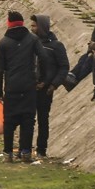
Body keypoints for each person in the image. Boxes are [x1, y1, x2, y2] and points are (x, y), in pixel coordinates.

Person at [0, 11, 47, 163]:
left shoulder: (3, 43)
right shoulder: (33, 39)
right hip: (29, 86)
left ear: (8, 24)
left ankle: (8, 153)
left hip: (11, 87)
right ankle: (25, 152)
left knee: (9, 121)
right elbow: (43, 57)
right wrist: (40, 79)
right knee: (28, 120)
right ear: (22, 23)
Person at [30, 14, 69, 158]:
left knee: (43, 119)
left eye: (34, 25)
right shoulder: (31, 43)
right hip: (30, 87)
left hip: (46, 89)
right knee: (28, 119)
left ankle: (41, 149)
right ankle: (26, 149)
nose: (32, 28)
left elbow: (64, 67)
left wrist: (54, 84)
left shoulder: (56, 46)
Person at [63, 0, 95, 91]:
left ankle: (76, 79)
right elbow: (94, 36)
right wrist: (91, 49)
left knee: (91, 60)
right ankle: (72, 75)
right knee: (85, 57)